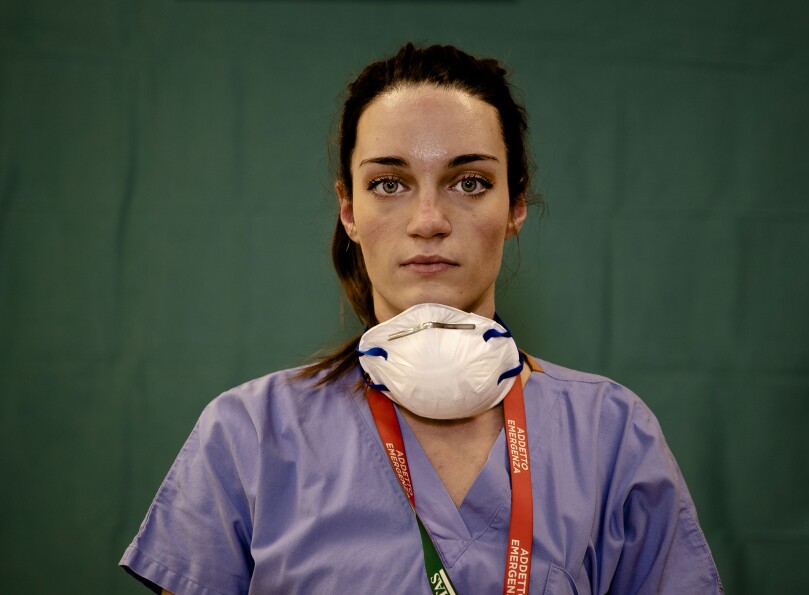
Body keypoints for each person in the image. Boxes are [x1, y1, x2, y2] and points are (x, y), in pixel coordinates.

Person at [120, 43, 723, 594]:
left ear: (516, 205)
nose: (428, 219)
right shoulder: (248, 435)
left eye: (469, 182)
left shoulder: (611, 435)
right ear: (348, 211)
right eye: (389, 183)